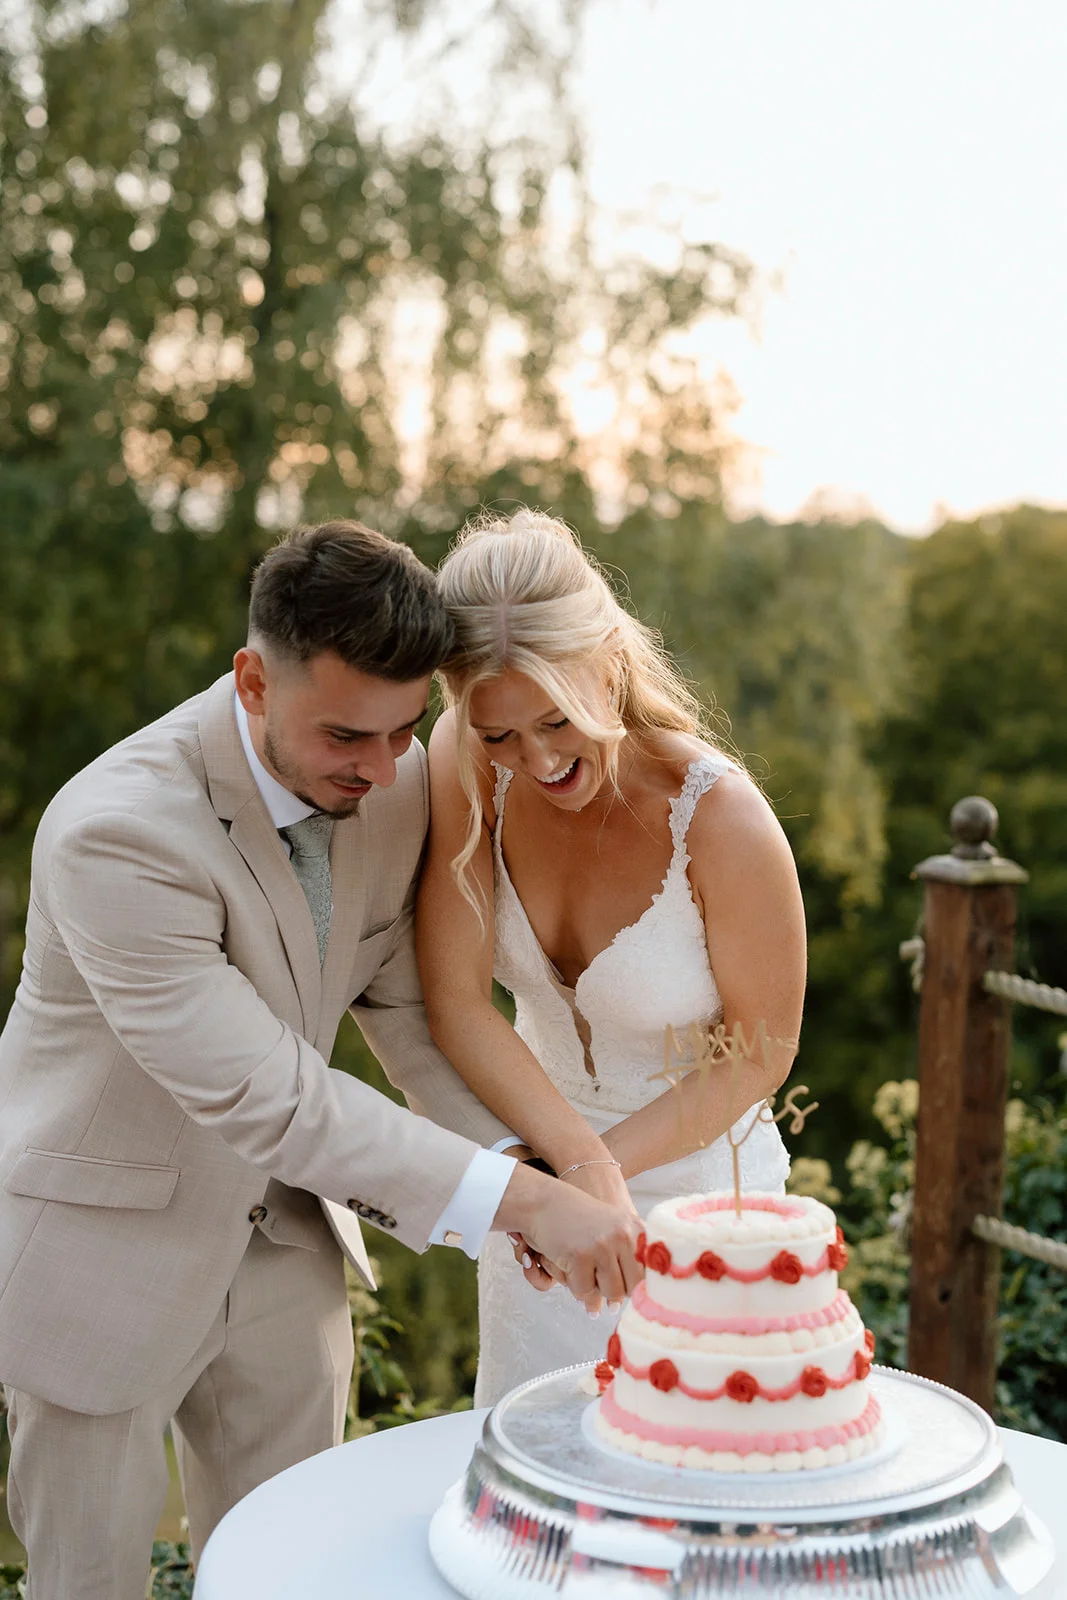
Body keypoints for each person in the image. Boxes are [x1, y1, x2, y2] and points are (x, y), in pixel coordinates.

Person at [0, 519, 641, 1600]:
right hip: (99, 1264)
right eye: (349, 735)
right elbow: (271, 1094)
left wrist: (516, 1162)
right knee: (86, 1585)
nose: (384, 768)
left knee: (290, 1573)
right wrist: (520, 1208)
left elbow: (403, 1010)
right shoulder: (114, 835)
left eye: (403, 734)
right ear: (253, 678)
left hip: (288, 1247)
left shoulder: (388, 791)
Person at [416, 509, 807, 1405]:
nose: (536, 759)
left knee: (705, 1493)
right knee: (538, 1510)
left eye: (558, 719)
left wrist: (593, 1175)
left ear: (610, 664)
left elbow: (761, 1051)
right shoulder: (463, 761)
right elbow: (457, 1002)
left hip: (706, 1206)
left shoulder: (720, 818)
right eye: (500, 734)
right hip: (542, 1199)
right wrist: (554, 1184)